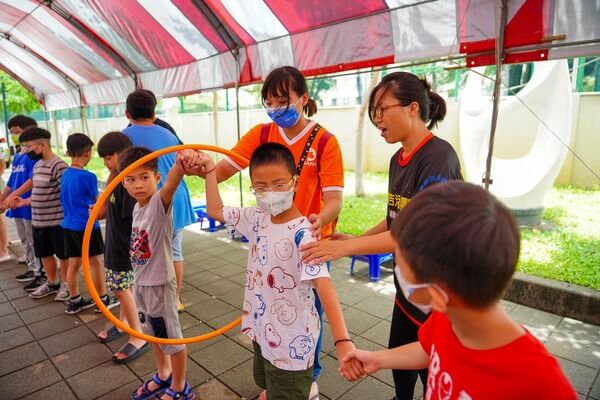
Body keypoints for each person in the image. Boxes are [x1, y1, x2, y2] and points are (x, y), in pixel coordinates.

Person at [301, 71, 463, 400]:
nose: (377, 120)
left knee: (431, 368)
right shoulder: (397, 159)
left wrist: (344, 251)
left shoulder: (438, 158)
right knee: (399, 359)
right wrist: (353, 240)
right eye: (374, 112)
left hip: (438, 297)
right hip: (407, 288)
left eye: (381, 110)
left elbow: (415, 235)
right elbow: (396, 220)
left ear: (412, 108)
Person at [341, 181, 577, 399]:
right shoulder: (448, 317)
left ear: (436, 296)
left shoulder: (541, 383)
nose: (398, 272)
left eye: (399, 267)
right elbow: (429, 348)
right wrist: (378, 359)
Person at [205, 66, 345, 397]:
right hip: (270, 234)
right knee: (268, 303)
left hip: (306, 239)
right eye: (269, 102)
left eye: (283, 100)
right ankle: (276, 377)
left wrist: (316, 219)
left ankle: (306, 378)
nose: (275, 108)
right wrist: (203, 168)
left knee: (307, 310)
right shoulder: (262, 135)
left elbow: (335, 199)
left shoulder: (324, 141)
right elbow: (222, 171)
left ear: (303, 99)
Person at [189, 143, 362, 400]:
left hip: (291, 342)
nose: (270, 193)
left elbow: (325, 287)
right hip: (263, 329)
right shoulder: (257, 218)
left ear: (295, 181)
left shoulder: (303, 234)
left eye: (279, 184)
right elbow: (215, 210)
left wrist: (342, 340)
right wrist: (211, 171)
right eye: (260, 187)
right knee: (265, 379)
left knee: (287, 386)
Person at [121, 146, 195, 400]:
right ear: (123, 182)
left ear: (157, 178)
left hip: (159, 285)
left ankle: (179, 386)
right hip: (141, 283)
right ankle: (163, 374)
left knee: (171, 338)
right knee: (153, 333)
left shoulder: (157, 204)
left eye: (144, 177)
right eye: (131, 179)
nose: (138, 184)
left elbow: (171, 185)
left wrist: (179, 167)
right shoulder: (137, 207)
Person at [122, 90, 195, 313]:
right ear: (154, 113)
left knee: (148, 252)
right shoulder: (167, 133)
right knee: (174, 251)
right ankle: (174, 299)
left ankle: (149, 299)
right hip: (177, 198)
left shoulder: (125, 136)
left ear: (127, 113)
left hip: (154, 202)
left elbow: (119, 171)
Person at [95, 132, 149, 363]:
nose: (106, 163)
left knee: (120, 289)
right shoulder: (116, 180)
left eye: (109, 158)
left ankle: (138, 336)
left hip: (124, 248)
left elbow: (135, 223)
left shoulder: (128, 185)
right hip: (116, 243)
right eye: (104, 159)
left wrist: (132, 252)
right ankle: (124, 322)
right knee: (124, 287)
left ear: (123, 155)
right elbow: (105, 210)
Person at [8, 127, 69, 301]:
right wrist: (25, 201)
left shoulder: (59, 165)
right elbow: (37, 190)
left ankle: (66, 285)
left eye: (28, 147)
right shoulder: (38, 165)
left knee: (63, 256)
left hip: (57, 222)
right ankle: (52, 283)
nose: (26, 151)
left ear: (42, 145)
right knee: (44, 254)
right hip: (39, 221)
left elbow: (65, 194)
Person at [59, 133, 117, 314]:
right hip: (86, 226)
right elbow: (98, 200)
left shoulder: (66, 174)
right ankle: (102, 298)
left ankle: (75, 299)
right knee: (97, 264)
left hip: (68, 225)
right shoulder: (88, 177)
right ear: (87, 153)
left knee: (74, 264)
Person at [0, 116, 43, 289]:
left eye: (17, 132)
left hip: (29, 203)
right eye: (12, 133)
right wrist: (3, 199)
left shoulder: (34, 156)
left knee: (34, 239)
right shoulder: (18, 155)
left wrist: (14, 196)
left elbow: (33, 180)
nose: (14, 136)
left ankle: (40, 272)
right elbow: (11, 180)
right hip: (16, 205)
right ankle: (32, 267)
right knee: (25, 238)